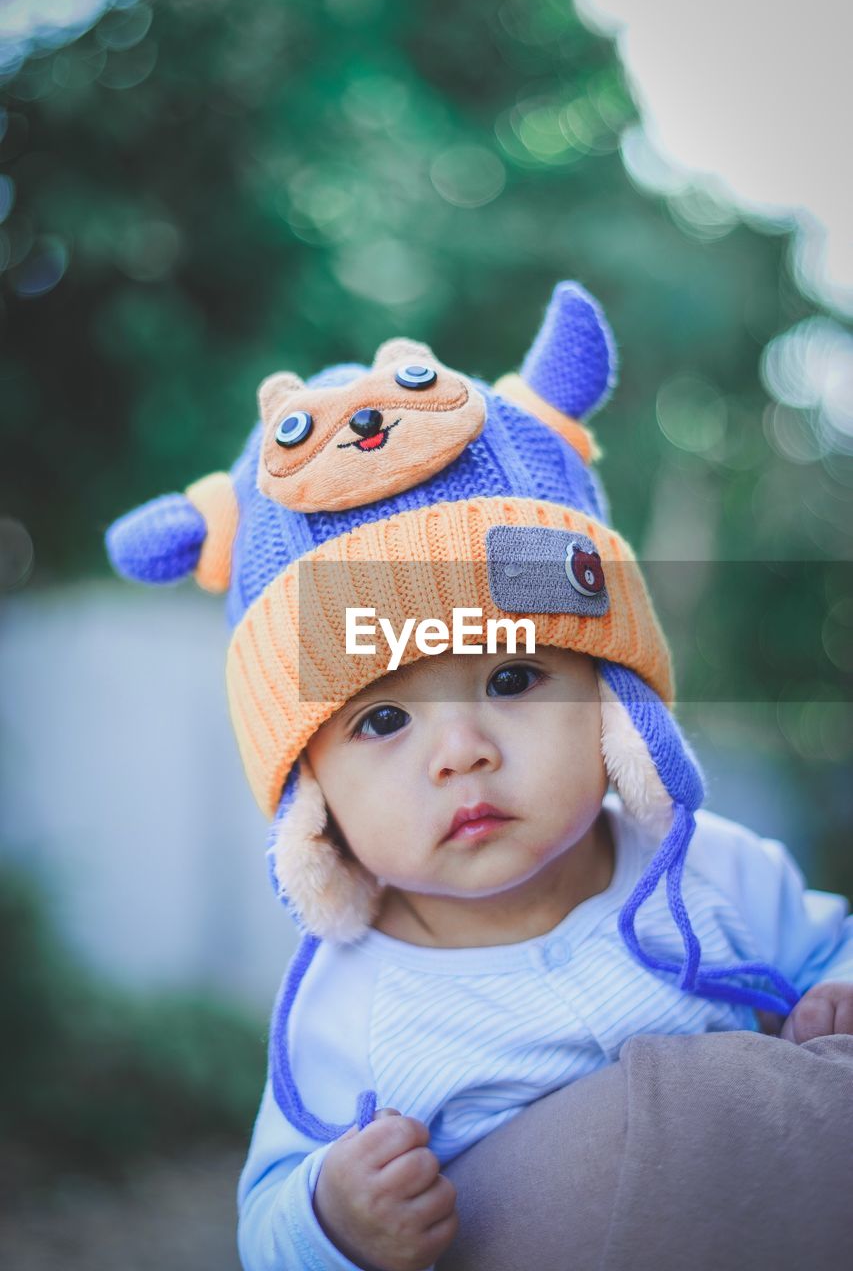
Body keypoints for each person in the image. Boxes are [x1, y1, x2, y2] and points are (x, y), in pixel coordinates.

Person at [105, 282, 853, 1271]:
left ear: (611, 700)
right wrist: (332, 1214)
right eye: (380, 718)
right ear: (311, 796)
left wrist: (833, 987)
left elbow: (827, 937)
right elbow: (268, 1221)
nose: (459, 749)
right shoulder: (349, 1006)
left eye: (511, 676)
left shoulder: (708, 871)